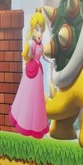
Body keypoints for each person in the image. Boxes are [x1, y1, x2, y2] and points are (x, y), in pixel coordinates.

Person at [9, 10, 50, 138]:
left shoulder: (41, 46)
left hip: (38, 74)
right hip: (31, 72)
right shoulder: (31, 44)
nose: (40, 33)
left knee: (37, 100)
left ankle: (36, 126)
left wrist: (50, 61)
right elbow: (27, 54)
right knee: (27, 97)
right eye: (37, 29)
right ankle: (24, 123)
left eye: (41, 30)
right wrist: (29, 54)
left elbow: (43, 57)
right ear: (32, 30)